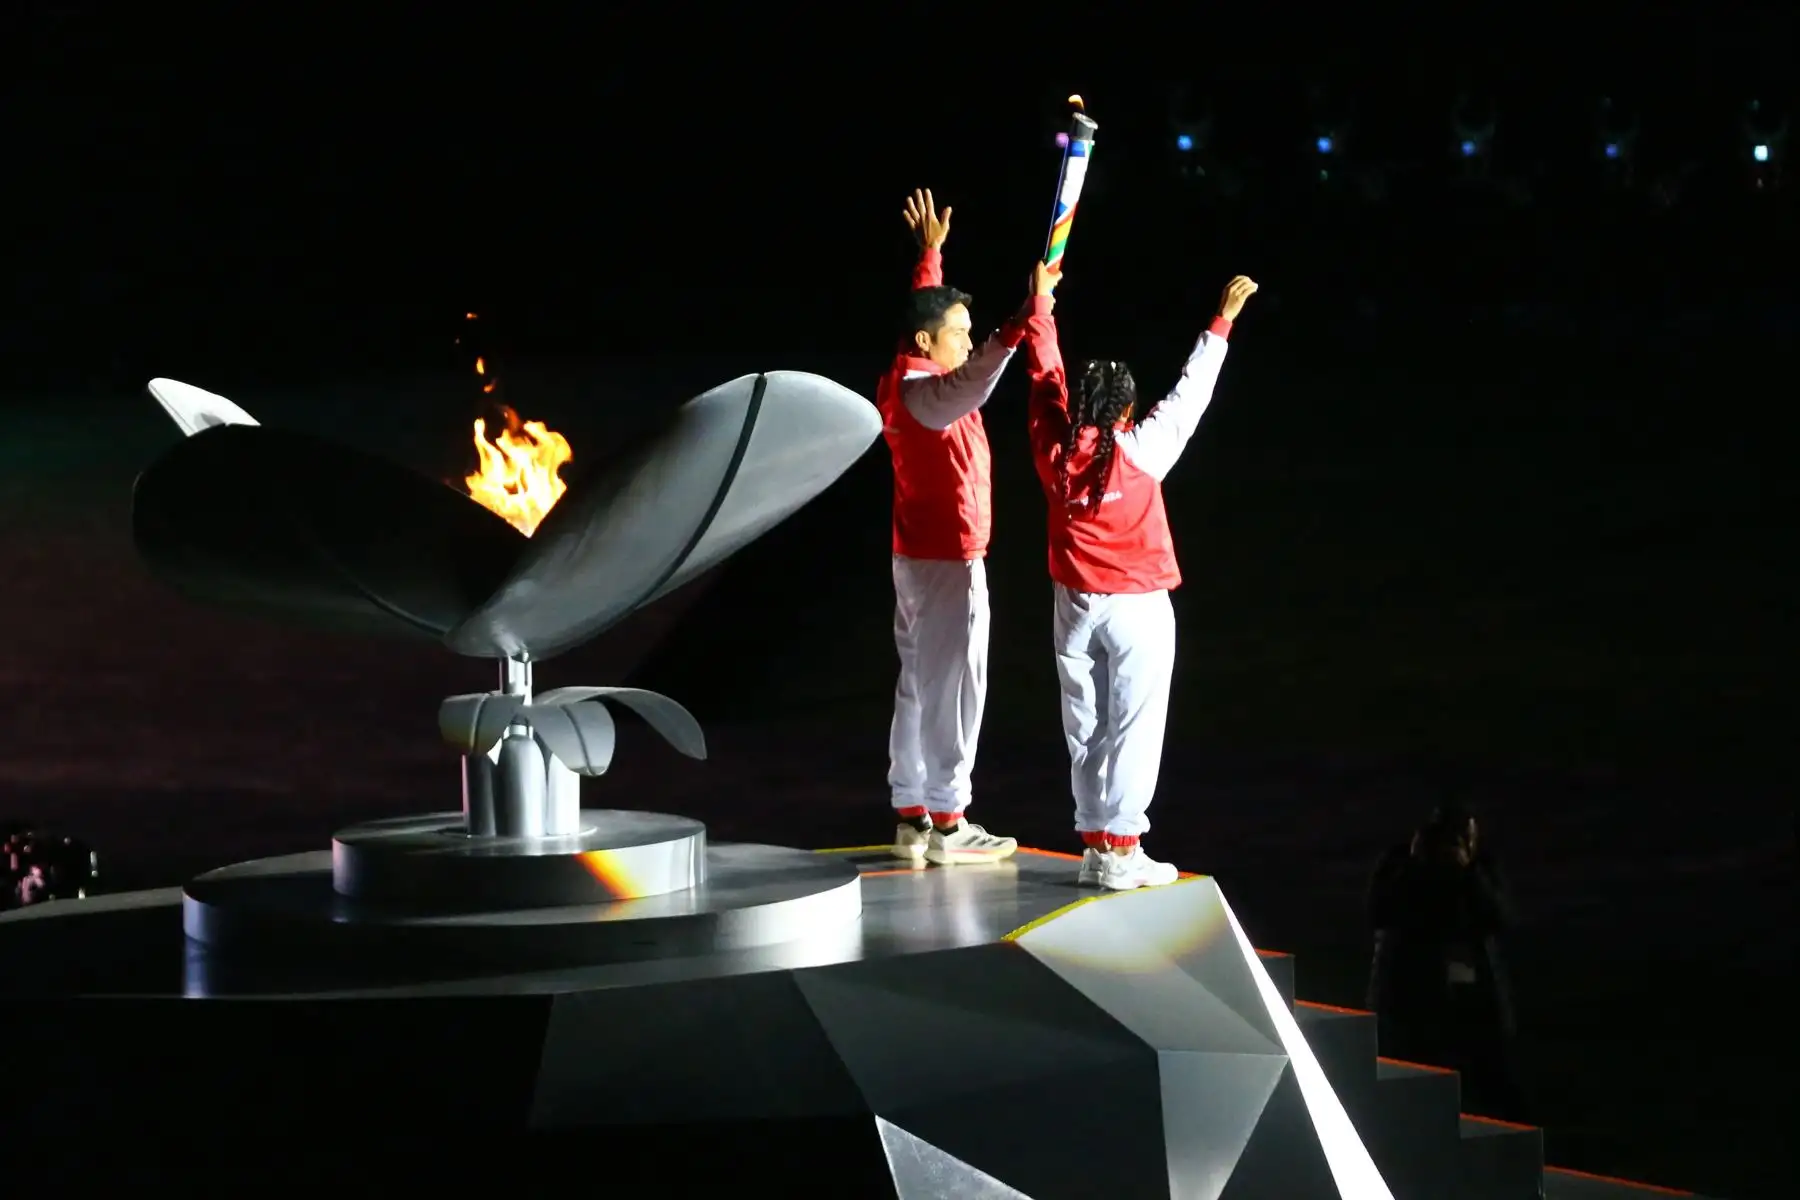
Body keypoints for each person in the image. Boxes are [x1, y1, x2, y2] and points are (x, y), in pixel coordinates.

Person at [1021, 258, 1258, 890]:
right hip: (1138, 608)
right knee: (1133, 723)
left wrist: (1041, 306)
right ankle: (1121, 849)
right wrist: (1222, 323)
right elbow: (1191, 394)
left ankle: (1098, 845)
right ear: (1127, 411)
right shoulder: (1144, 449)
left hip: (1074, 605)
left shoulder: (1052, 449)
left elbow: (1045, 377)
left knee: (1085, 723)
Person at [879, 189, 1031, 867]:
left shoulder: (910, 371)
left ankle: (912, 813)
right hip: (946, 561)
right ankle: (949, 820)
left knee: (919, 681)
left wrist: (930, 256)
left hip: (918, 556)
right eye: (957, 334)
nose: (966, 341)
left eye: (971, 332)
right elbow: (978, 374)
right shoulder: (927, 394)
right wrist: (1020, 324)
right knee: (955, 686)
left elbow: (932, 315)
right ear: (927, 344)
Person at [1367, 800, 1530, 1122]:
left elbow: (1499, 918)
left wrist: (1468, 872)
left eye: (1464, 837)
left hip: (1474, 1004)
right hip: (1410, 1001)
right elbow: (1377, 912)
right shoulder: (1400, 865)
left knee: (1483, 1092)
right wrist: (1415, 865)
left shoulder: (1481, 868)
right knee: (1412, 1089)